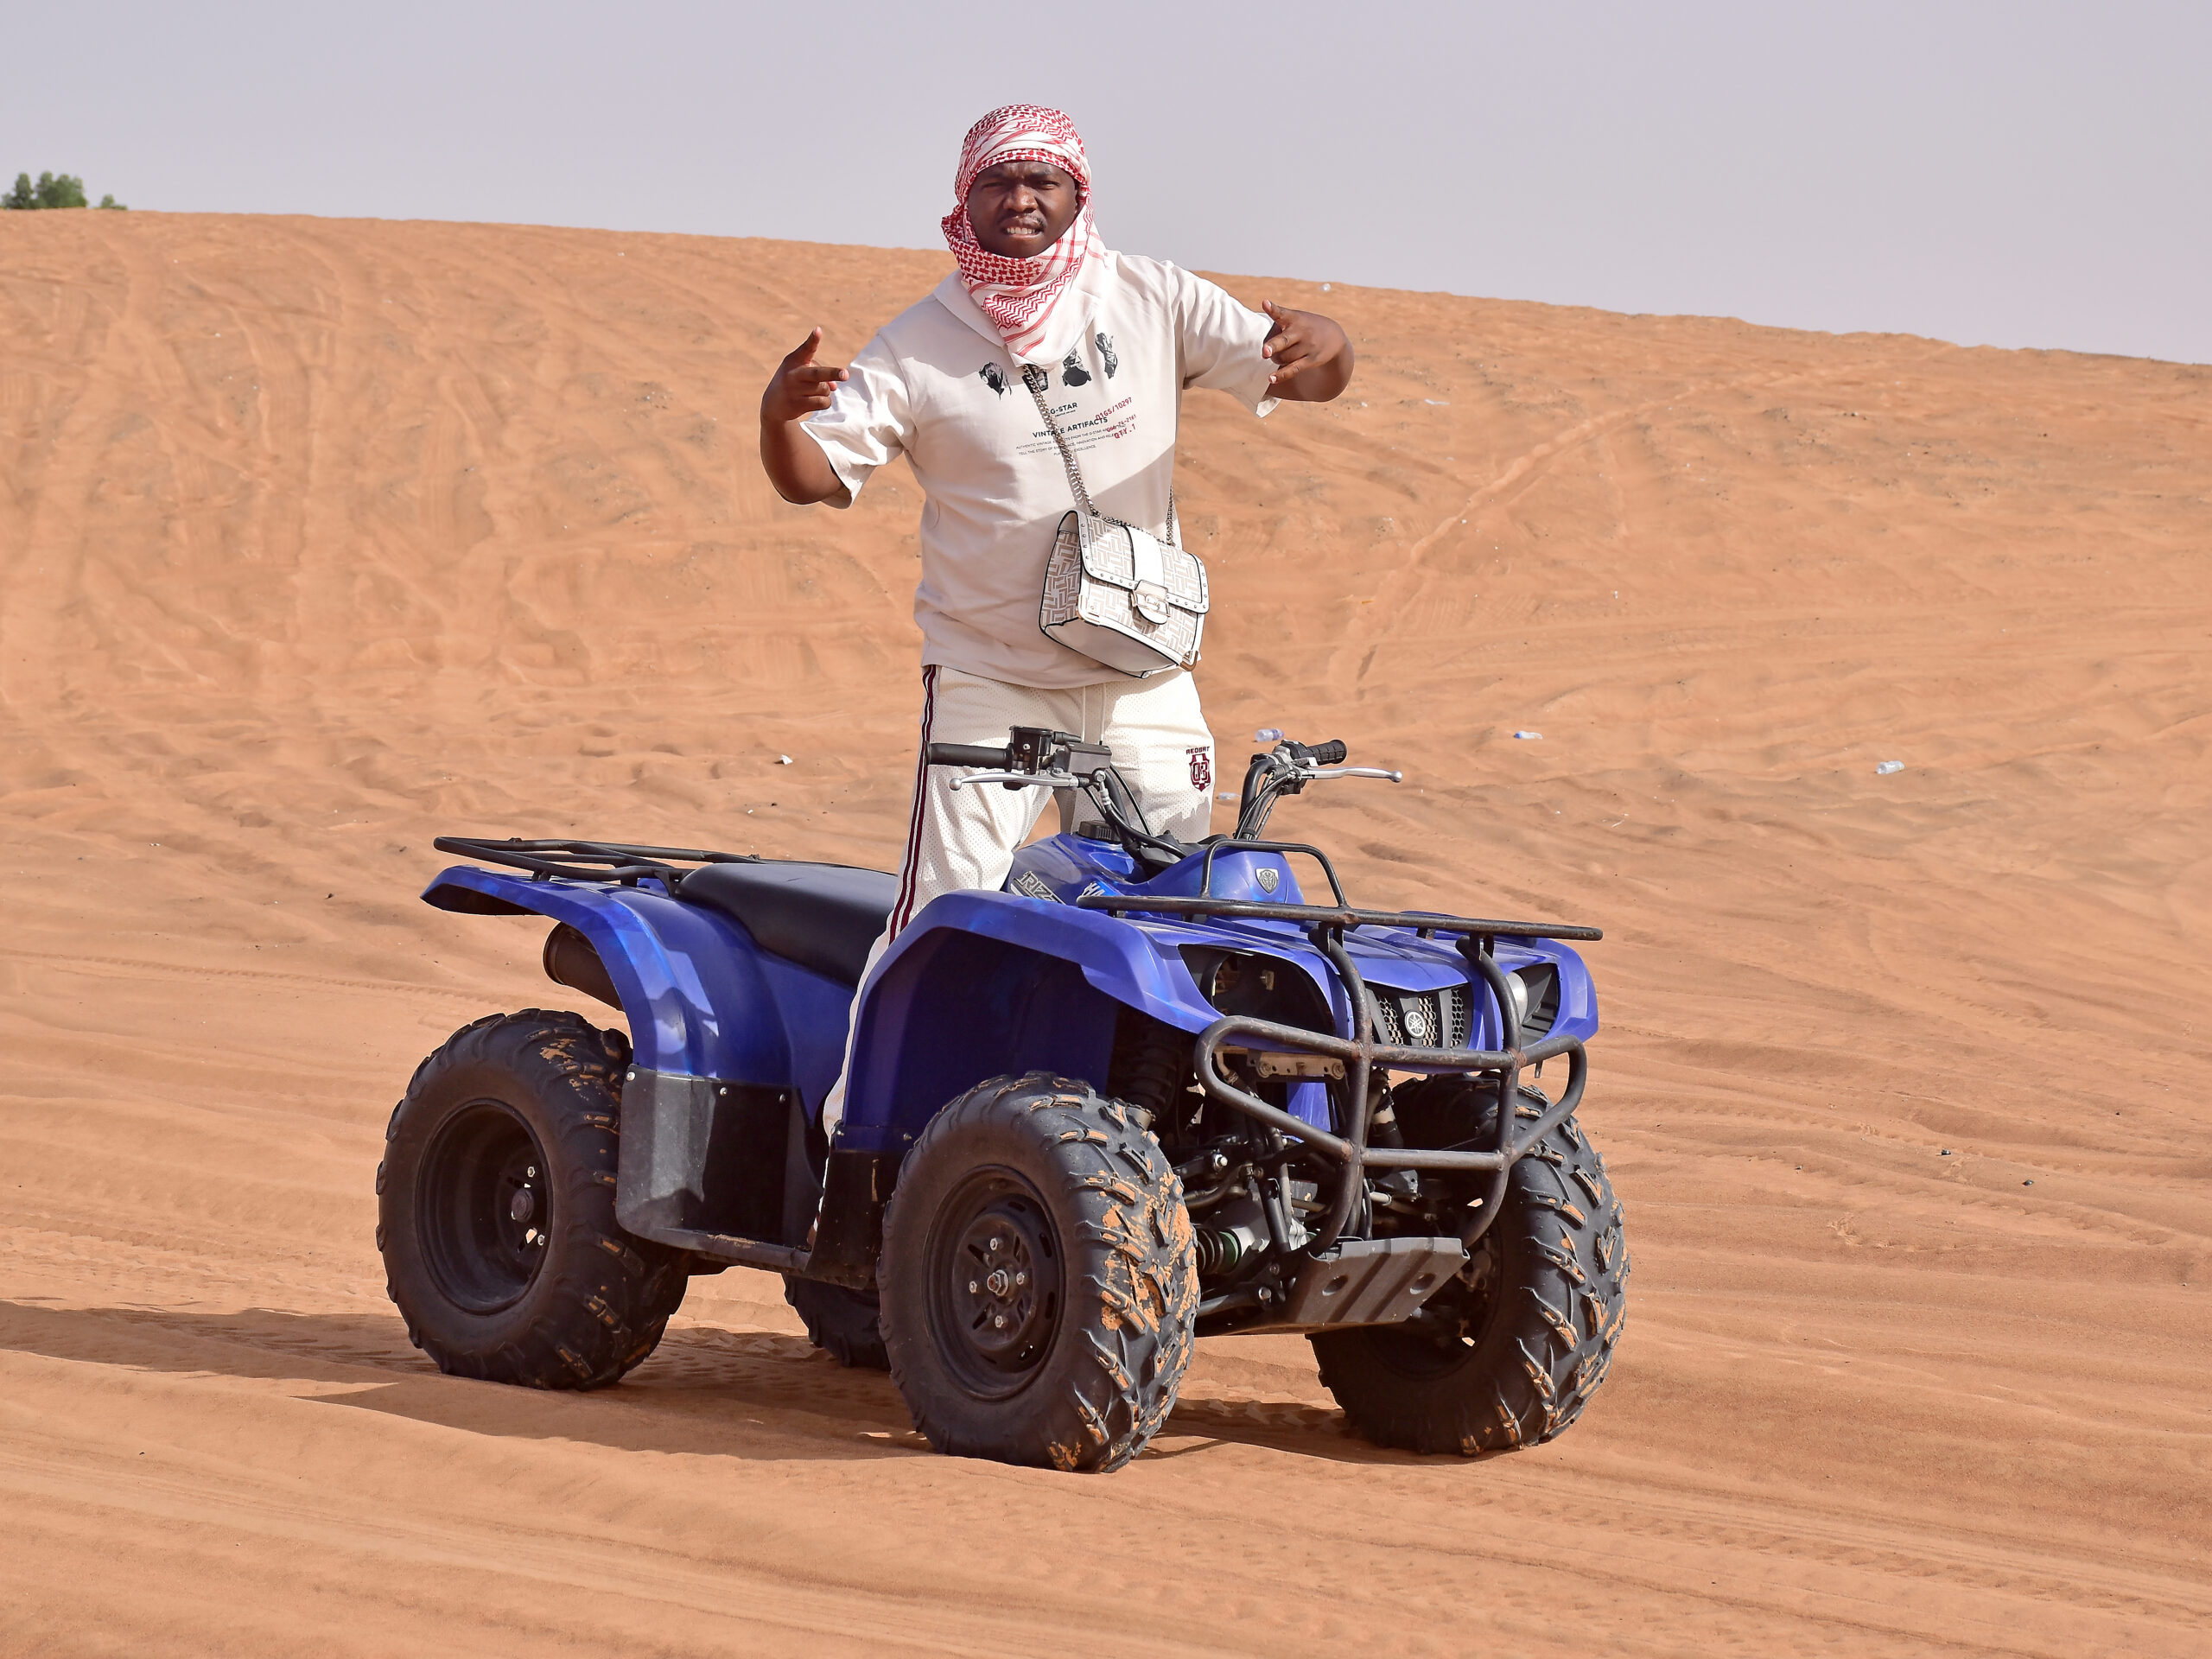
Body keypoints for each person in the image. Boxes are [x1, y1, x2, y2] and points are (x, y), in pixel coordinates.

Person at [759, 105, 1353, 1128]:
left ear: (1080, 194)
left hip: (1142, 683)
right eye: (999, 181)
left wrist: (1331, 343)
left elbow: (1303, 375)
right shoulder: (919, 345)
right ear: (966, 199)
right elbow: (813, 477)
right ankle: (864, 1149)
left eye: (1044, 180)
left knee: (1181, 920)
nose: (1022, 198)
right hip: (991, 682)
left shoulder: (1148, 296)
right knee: (944, 917)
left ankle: (1159, 1146)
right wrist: (776, 420)